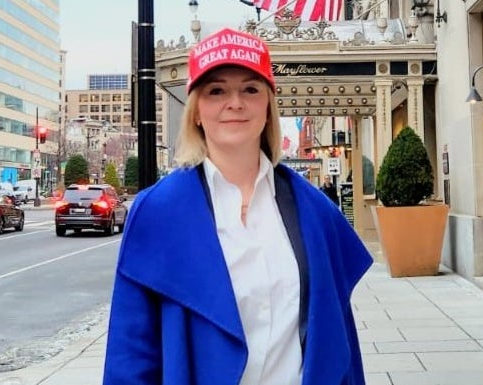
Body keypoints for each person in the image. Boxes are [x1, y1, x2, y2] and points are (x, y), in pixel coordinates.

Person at [103, 27, 373, 385]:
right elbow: (131, 351)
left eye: (250, 88)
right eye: (217, 90)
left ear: (267, 107)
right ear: (196, 111)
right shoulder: (159, 211)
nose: (236, 103)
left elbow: (339, 342)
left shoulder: (315, 211)